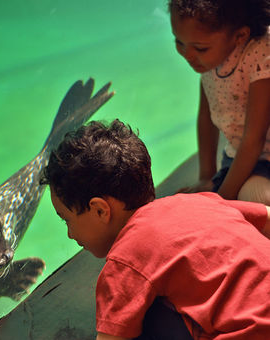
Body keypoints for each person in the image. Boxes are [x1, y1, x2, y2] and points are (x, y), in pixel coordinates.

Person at [42, 119, 270, 340]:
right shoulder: (199, 202)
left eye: (67, 220)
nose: (70, 234)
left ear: (100, 210)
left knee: (148, 316)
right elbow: (266, 215)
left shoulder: (125, 260)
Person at [168, 0, 270, 204]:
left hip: (264, 155)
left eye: (200, 48)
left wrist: (221, 200)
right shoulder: (210, 61)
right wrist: (207, 177)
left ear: (240, 36)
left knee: (257, 200)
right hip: (240, 158)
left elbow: (254, 139)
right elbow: (206, 117)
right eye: (179, 42)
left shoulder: (261, 57)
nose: (188, 55)